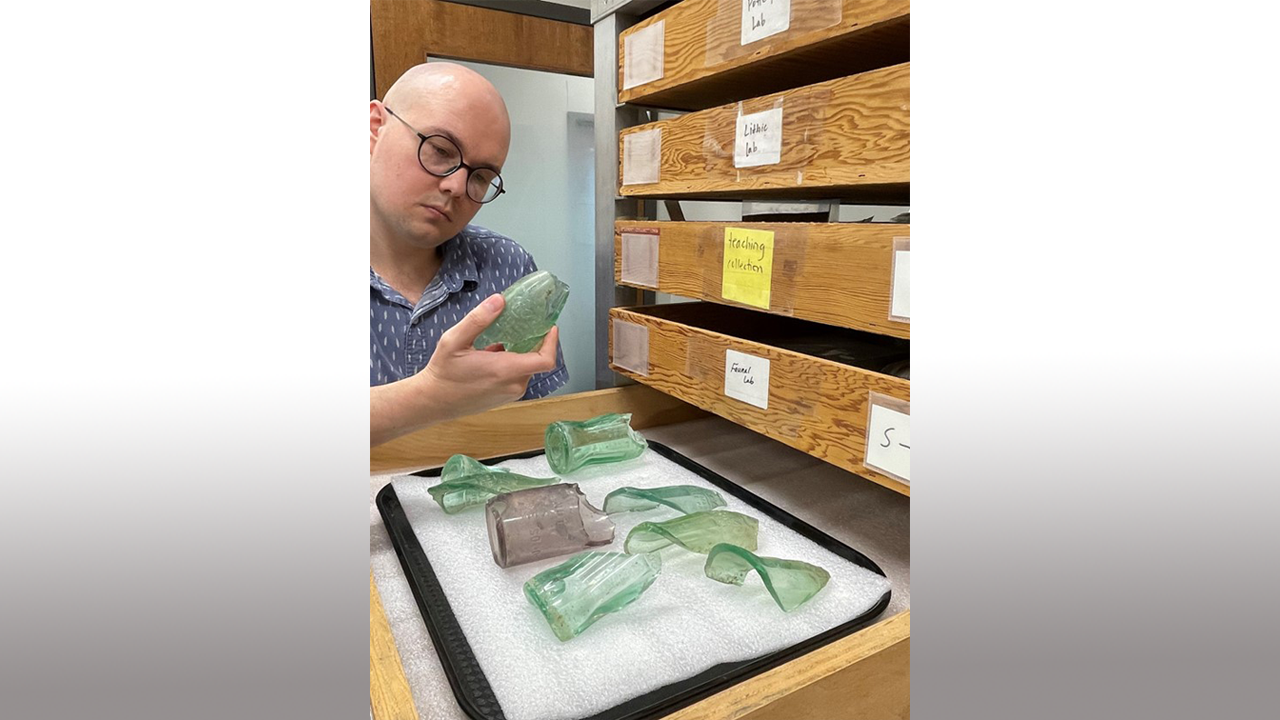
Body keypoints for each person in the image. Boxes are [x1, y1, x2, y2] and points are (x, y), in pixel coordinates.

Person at [370, 63, 567, 447]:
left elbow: (533, 426)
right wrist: (430, 396)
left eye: (481, 177)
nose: (457, 186)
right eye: (440, 150)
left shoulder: (508, 266)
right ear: (375, 127)